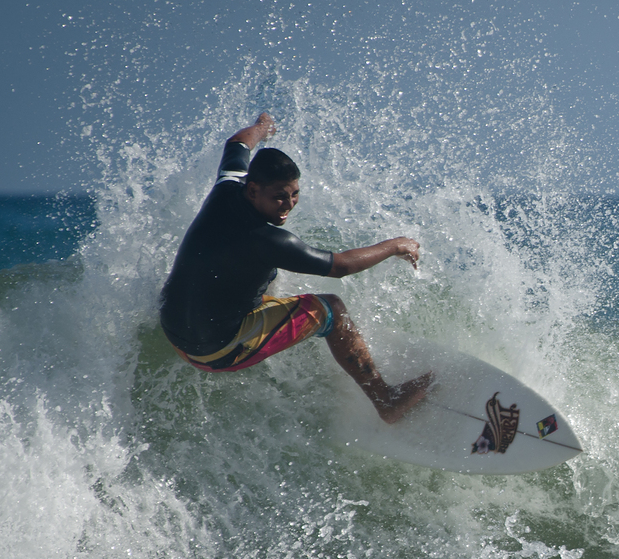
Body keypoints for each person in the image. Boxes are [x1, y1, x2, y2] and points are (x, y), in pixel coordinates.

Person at [158, 113, 432, 423]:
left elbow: (237, 143)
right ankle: (386, 401)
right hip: (214, 350)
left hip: (174, 329)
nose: (288, 205)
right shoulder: (267, 240)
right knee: (331, 309)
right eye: (279, 197)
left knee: (260, 274)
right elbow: (340, 266)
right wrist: (394, 246)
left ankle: (283, 327)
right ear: (253, 190)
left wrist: (262, 128)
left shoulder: (227, 187)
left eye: (294, 194)